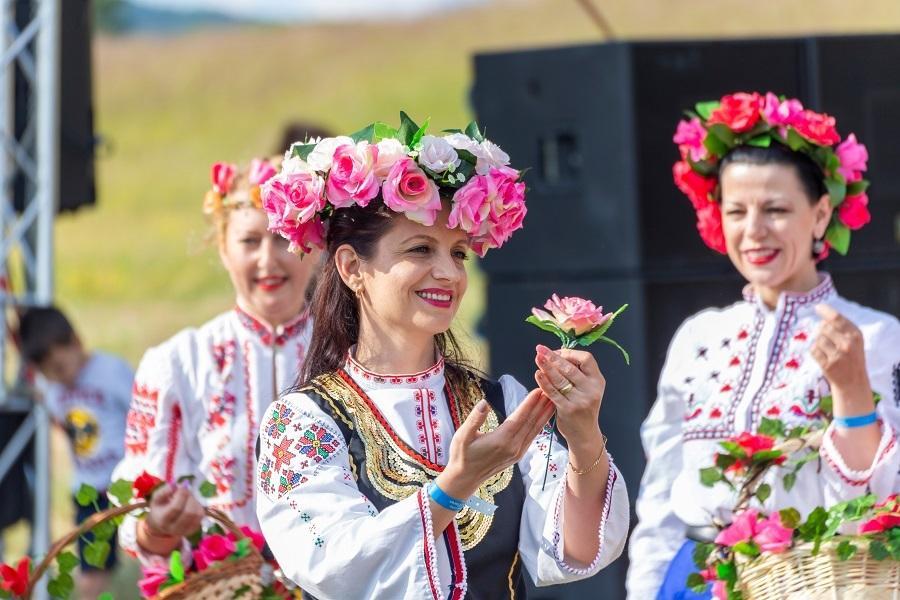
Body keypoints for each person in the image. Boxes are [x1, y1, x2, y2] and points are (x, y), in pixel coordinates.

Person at [255, 116, 630, 599]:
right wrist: (455, 484)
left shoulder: (503, 402)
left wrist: (583, 437)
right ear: (352, 268)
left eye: (458, 254)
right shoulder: (303, 422)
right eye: (420, 249)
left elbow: (578, 551)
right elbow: (334, 568)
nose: (447, 273)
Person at [626, 92, 900, 599]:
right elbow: (662, 492)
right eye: (736, 211)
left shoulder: (878, 336)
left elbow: (882, 502)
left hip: (809, 580)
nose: (753, 232)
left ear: (820, 216)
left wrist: (852, 389)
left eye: (775, 210)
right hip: (691, 579)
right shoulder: (699, 335)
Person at [111, 157, 320, 567]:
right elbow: (136, 508)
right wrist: (158, 525)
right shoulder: (179, 363)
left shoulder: (354, 353)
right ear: (223, 249)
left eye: (282, 238)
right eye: (249, 241)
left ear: (314, 246)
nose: (267, 260)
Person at [18, 305, 134, 599]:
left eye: (59, 368)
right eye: (48, 373)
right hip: (88, 492)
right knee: (92, 570)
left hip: (126, 484)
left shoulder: (111, 371)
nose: (60, 378)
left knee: (156, 552)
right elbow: (60, 418)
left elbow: (141, 415)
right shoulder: (52, 384)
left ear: (76, 342)